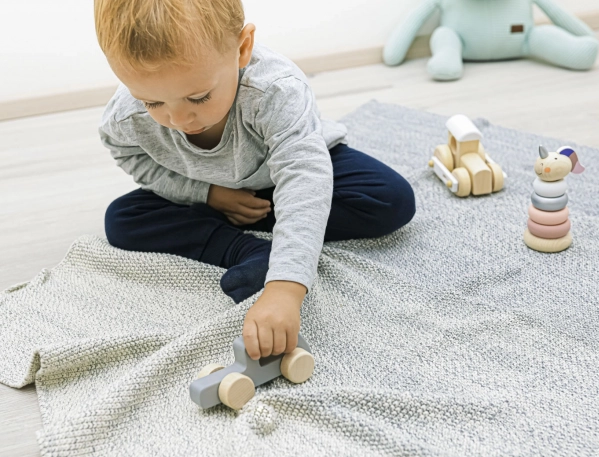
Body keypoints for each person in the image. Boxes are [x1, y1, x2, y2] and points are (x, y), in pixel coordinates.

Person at [94, 0, 416, 362]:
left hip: (288, 173)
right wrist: (208, 194)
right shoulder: (125, 117)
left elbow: (304, 176)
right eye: (152, 102)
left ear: (242, 48)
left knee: (391, 199)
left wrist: (285, 287)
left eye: (199, 97)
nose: (179, 118)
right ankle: (248, 250)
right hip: (211, 191)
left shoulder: (275, 89)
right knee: (122, 219)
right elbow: (130, 156)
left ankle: (282, 232)